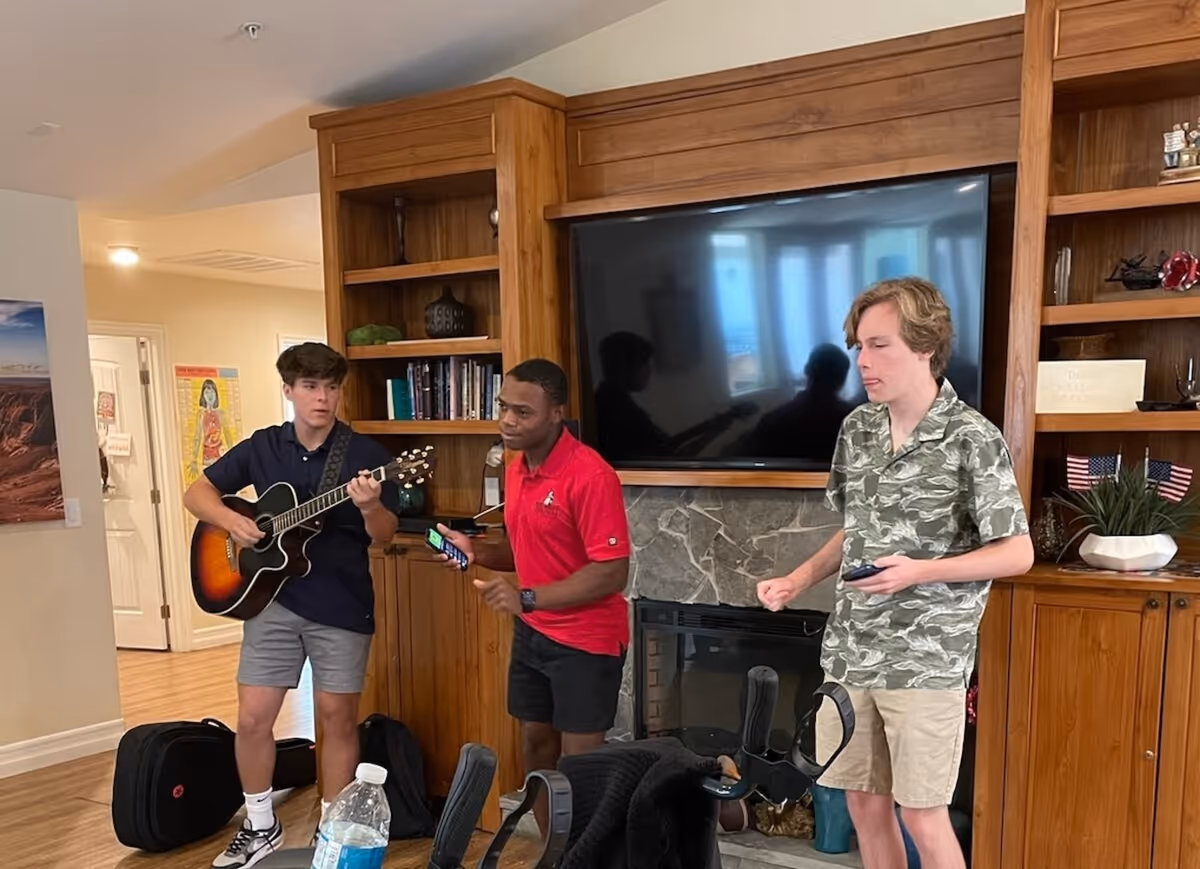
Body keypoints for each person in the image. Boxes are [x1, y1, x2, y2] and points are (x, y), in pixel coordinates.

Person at [756, 278, 1033, 869]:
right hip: (853, 651)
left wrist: (920, 572)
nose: (863, 361)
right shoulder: (857, 429)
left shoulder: (973, 439)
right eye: (859, 346)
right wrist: (799, 579)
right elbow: (856, 529)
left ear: (925, 345)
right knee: (861, 801)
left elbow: (1017, 553)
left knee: (922, 814)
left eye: (879, 345)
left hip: (926, 662)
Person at [182, 342, 400, 868]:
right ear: (289, 391)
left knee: (336, 718)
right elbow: (198, 493)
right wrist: (236, 523)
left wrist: (370, 507)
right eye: (309, 387)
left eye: (330, 387)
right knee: (254, 719)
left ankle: (333, 832)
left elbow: (385, 535)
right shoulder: (264, 447)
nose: (321, 398)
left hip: (342, 602)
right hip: (269, 602)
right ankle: (260, 826)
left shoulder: (365, 456)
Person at [436, 358, 630, 835]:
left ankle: (585, 856)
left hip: (585, 641)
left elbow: (612, 573)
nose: (507, 420)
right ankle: (552, 851)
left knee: (581, 768)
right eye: (503, 407)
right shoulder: (517, 467)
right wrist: (475, 551)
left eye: (522, 412)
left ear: (555, 414)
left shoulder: (591, 476)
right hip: (534, 633)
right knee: (536, 748)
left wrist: (526, 598)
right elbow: (523, 544)